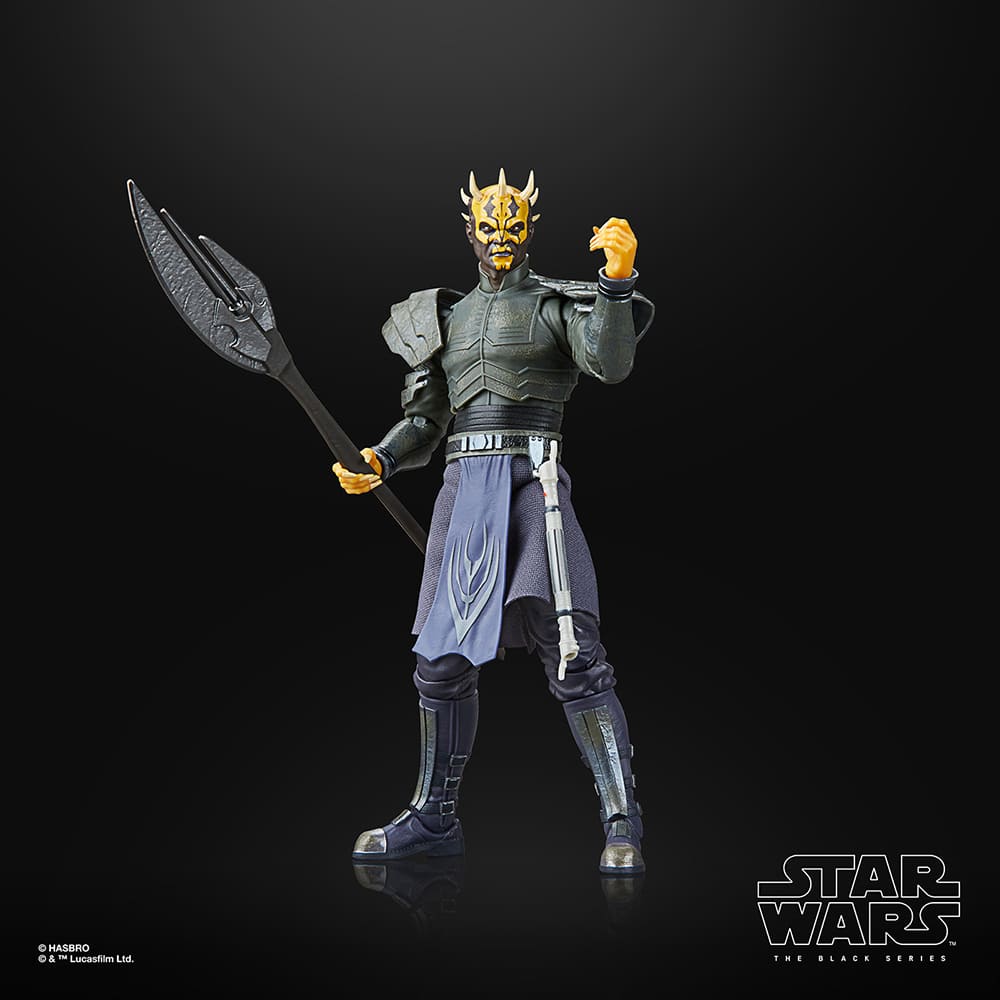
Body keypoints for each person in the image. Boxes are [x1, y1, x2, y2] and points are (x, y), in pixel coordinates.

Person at [334, 169, 654, 874]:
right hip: (463, 489)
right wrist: (382, 458)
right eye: (488, 226)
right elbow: (426, 420)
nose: (500, 237)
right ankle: (433, 818)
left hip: (533, 484)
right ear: (470, 230)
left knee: (573, 651)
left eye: (513, 225)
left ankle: (622, 821)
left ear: (529, 228)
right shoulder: (442, 319)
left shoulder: (552, 306)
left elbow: (609, 362)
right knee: (439, 662)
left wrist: (615, 283)